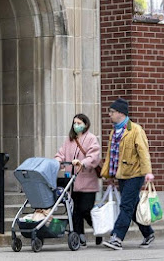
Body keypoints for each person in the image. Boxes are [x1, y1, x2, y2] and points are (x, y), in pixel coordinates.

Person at [101, 98, 155, 250]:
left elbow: (144, 153)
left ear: (120, 113)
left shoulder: (136, 130)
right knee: (132, 207)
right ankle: (148, 233)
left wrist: (148, 173)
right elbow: (111, 156)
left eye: (111, 112)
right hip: (121, 175)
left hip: (135, 174)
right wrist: (110, 176)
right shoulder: (114, 131)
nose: (109, 115)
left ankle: (117, 237)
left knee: (125, 205)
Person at [55, 113, 101, 247]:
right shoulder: (69, 140)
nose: (76, 126)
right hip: (73, 182)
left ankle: (98, 229)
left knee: (86, 209)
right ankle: (79, 234)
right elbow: (61, 154)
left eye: (79, 123)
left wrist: (83, 162)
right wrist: (57, 162)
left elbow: (94, 156)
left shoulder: (91, 139)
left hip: (87, 182)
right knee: (75, 210)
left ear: (85, 124)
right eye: (75, 123)